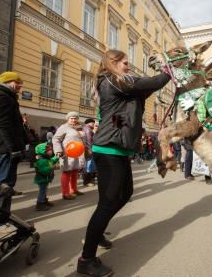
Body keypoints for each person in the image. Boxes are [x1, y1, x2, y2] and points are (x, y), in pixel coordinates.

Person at [77, 49, 170, 276]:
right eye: (124, 62)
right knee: (107, 203)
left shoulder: (120, 85)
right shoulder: (111, 80)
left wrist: (154, 83)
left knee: (125, 193)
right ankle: (86, 259)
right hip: (107, 149)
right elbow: (149, 83)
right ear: (112, 63)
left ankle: (96, 232)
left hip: (117, 149)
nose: (128, 66)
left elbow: (140, 94)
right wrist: (168, 72)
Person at [0, 71, 27, 232]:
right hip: (5, 149)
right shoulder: (2, 97)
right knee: (3, 184)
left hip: (3, 148)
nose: (20, 85)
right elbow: (4, 125)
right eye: (17, 82)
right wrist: (13, 148)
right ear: (9, 82)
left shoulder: (3, 96)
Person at [52, 112, 85, 200]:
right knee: (66, 172)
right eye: (72, 118)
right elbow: (56, 139)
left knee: (75, 171)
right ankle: (65, 193)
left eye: (75, 118)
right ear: (68, 119)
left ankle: (73, 190)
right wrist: (58, 150)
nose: (74, 120)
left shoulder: (79, 128)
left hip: (77, 153)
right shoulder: (64, 127)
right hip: (67, 153)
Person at [33, 143, 58, 211]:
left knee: (44, 191)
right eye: (49, 150)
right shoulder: (41, 161)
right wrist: (51, 167)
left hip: (45, 179)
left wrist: (57, 157)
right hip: (42, 179)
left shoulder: (47, 159)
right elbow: (44, 171)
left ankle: (44, 201)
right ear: (43, 152)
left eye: (51, 150)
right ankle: (39, 204)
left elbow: (52, 161)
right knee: (42, 191)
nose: (51, 151)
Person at [83, 118, 96, 187]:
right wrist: (90, 150)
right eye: (92, 122)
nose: (93, 124)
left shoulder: (86, 128)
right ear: (88, 123)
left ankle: (88, 180)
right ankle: (87, 181)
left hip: (87, 149)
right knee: (88, 166)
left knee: (89, 165)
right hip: (89, 150)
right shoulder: (88, 129)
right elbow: (89, 141)